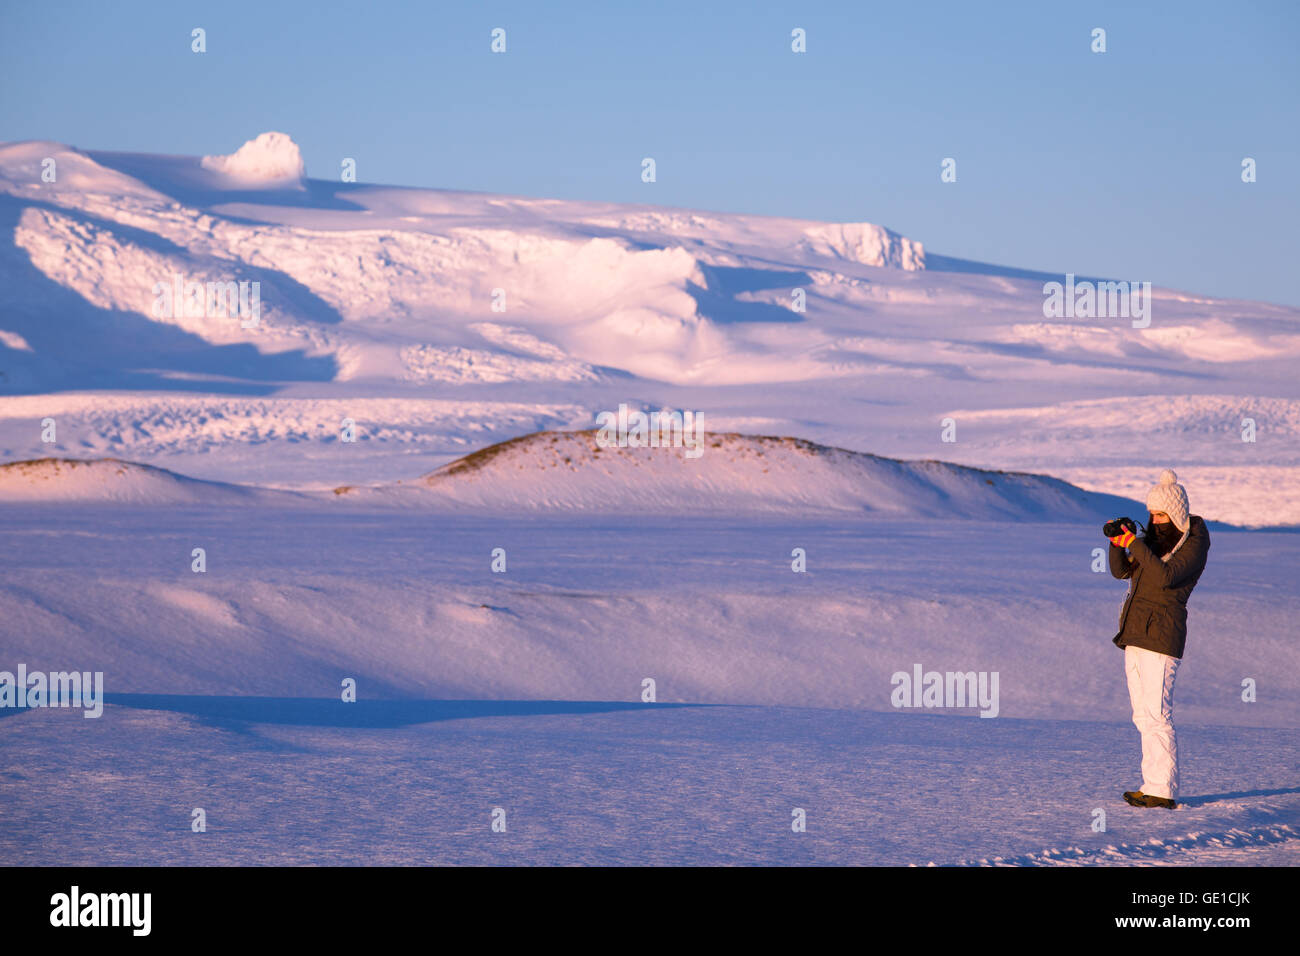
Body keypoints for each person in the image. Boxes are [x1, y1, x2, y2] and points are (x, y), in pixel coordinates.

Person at [1106, 469, 1210, 809]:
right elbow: (1122, 571)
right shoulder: (1152, 543)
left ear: (1177, 514)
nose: (1155, 520)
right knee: (1142, 716)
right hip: (1135, 634)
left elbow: (1165, 577)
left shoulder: (1193, 543)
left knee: (1158, 715)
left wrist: (1135, 542)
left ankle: (1163, 791)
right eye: (1151, 514)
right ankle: (1152, 785)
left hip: (1162, 638)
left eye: (1161, 514)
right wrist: (1118, 543)